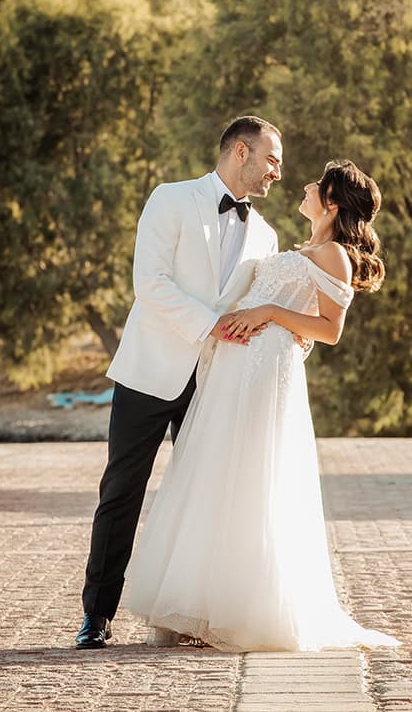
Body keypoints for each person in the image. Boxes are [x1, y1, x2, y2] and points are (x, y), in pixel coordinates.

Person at [124, 160, 401, 652]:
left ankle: (243, 611)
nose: (306, 186)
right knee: (218, 478)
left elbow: (330, 330)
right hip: (235, 369)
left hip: (266, 374)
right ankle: (201, 606)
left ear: (333, 203)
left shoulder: (335, 254)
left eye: (318, 185)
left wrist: (271, 313)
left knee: (251, 480)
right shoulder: (300, 246)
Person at [76, 116, 283, 649]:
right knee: (121, 491)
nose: (277, 172)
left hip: (217, 384)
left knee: (211, 498)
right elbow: (150, 283)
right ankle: (96, 616)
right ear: (241, 152)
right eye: (272, 159)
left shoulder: (266, 234)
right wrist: (209, 323)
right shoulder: (170, 199)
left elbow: (257, 308)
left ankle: (195, 615)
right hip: (149, 372)